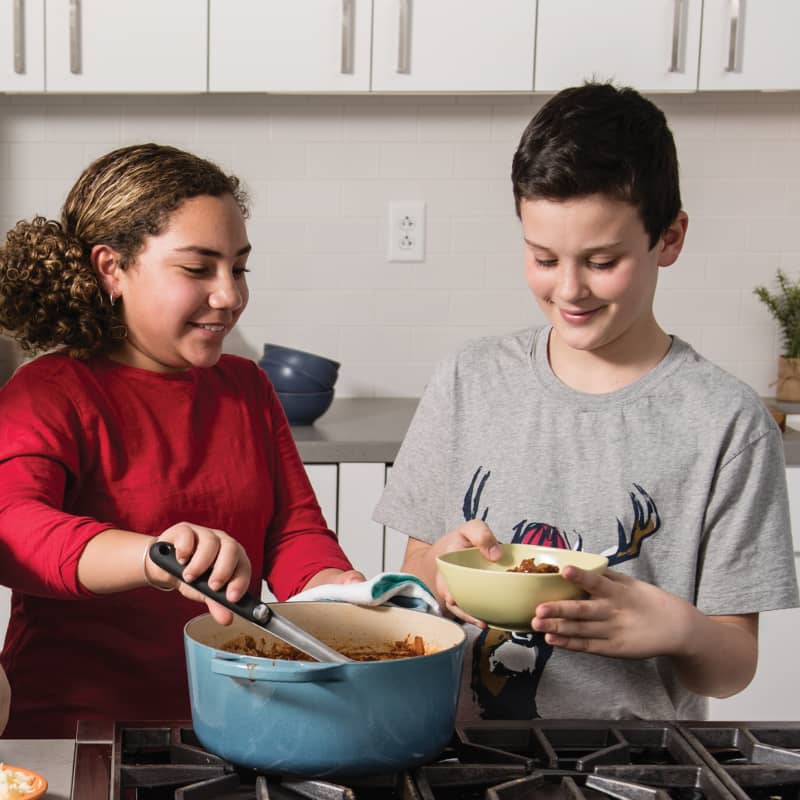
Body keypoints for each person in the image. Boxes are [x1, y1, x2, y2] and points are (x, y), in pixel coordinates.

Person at [373, 82, 799, 721]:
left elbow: (733, 665)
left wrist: (677, 627)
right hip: (459, 753)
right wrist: (439, 569)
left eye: (602, 261)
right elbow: (412, 574)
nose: (569, 289)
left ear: (670, 238)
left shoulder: (727, 423)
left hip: (634, 762)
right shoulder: (467, 379)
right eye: (543, 258)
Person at [0, 143, 364, 738]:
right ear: (111, 268)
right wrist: (155, 558)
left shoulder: (245, 386)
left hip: (234, 718)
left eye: (239, 268)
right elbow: (13, 527)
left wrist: (338, 590)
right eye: (198, 269)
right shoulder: (48, 391)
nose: (230, 296)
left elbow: (292, 530)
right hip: (77, 734)